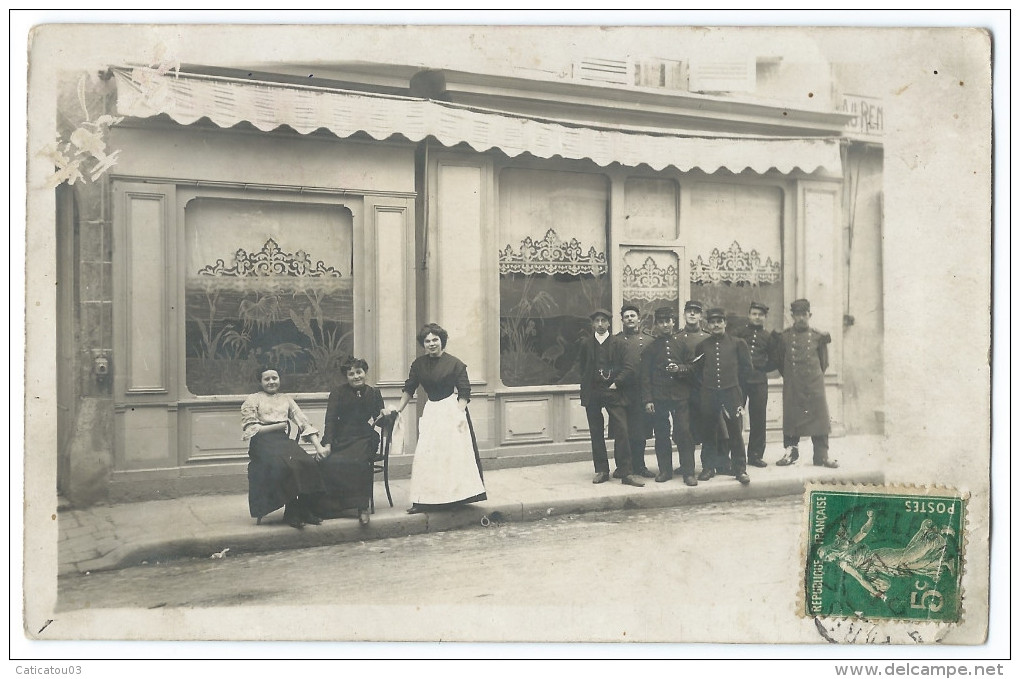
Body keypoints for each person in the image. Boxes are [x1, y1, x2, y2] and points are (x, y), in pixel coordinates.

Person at [392, 323, 487, 513]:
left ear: (442, 341)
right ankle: (422, 500)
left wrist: (460, 414)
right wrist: (398, 410)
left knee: (451, 456)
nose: (431, 344)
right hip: (432, 411)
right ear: (423, 344)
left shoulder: (455, 363)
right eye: (427, 341)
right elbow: (409, 389)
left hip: (452, 410)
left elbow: (464, 391)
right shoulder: (418, 365)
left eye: (435, 339)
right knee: (426, 456)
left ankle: (453, 498)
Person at [241, 366, 327, 529]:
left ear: (280, 379)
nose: (271, 382)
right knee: (284, 466)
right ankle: (291, 511)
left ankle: (303, 508)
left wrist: (318, 447)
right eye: (267, 379)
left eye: (274, 378)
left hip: (282, 441)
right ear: (260, 382)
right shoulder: (253, 399)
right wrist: (278, 426)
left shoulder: (286, 399)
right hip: (262, 444)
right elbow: (250, 430)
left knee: (308, 463)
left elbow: (304, 423)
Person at [314, 357, 387, 526]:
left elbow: (380, 421)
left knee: (360, 461)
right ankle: (332, 507)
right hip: (341, 436)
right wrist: (328, 444)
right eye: (351, 374)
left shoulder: (374, 393)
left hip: (365, 436)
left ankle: (362, 507)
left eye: (359, 372)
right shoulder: (337, 393)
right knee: (328, 462)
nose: (356, 377)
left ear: (365, 373)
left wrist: (386, 416)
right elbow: (330, 420)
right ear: (346, 376)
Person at [817, 511, 955, 600]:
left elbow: (862, 534)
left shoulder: (845, 549)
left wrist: (871, 519)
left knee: (906, 558)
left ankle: (931, 535)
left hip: (878, 557)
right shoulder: (842, 563)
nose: (829, 560)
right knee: (910, 566)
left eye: (827, 557)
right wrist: (875, 591)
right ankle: (944, 561)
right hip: (879, 568)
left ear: (830, 551)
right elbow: (861, 578)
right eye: (826, 560)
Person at [576, 308, 644, 487]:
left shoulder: (618, 344)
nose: (599, 324)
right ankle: (602, 470)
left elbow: (629, 367)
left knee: (622, 430)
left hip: (614, 391)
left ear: (609, 323)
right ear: (593, 324)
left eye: (603, 321)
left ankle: (626, 472)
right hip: (592, 392)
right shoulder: (585, 344)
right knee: (595, 431)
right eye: (596, 321)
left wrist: (616, 383)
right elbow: (582, 367)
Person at [773, 299, 839, 468]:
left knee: (820, 419)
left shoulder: (818, 337)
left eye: (804, 314)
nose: (801, 318)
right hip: (793, 385)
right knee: (791, 418)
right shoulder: (785, 337)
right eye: (797, 315)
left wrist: (813, 377)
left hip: (814, 384)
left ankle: (821, 456)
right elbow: (780, 361)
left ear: (809, 315)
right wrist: (792, 377)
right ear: (792, 316)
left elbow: (824, 363)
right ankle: (790, 453)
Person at [640, 306, 698, 485]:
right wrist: (648, 399)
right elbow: (645, 376)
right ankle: (665, 470)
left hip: (680, 396)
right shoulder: (651, 347)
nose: (665, 325)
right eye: (661, 322)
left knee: (684, 432)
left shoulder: (682, 344)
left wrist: (679, 368)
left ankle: (688, 472)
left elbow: (693, 367)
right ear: (656, 324)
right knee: (661, 434)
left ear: (673, 322)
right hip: (659, 397)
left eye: (668, 321)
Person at [694, 308, 752, 485]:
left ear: (725, 323)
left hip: (731, 392)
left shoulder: (738, 343)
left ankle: (740, 469)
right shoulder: (702, 346)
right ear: (707, 325)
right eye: (712, 322)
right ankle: (708, 467)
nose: (716, 324)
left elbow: (746, 370)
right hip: (709, 393)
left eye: (719, 321)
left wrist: (738, 392)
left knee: (735, 431)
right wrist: (706, 388)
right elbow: (697, 371)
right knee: (708, 432)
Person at [733, 302, 777, 467]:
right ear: (749, 315)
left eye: (760, 314)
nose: (756, 317)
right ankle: (736, 454)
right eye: (753, 314)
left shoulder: (769, 337)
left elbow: (774, 359)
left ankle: (755, 455)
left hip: (759, 381)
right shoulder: (739, 333)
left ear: (765, 317)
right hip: (740, 380)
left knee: (758, 417)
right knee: (735, 417)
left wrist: (762, 368)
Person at [615, 303, 656, 479]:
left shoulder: (648, 340)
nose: (630, 319)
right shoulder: (615, 341)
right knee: (622, 431)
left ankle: (640, 465)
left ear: (639, 319)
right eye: (626, 316)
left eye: (633, 316)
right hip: (621, 392)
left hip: (641, 392)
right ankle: (622, 467)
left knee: (640, 431)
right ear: (622, 320)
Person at [675, 300, 710, 475]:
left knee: (705, 428)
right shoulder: (677, 338)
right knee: (683, 429)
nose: (692, 314)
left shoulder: (708, 337)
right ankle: (686, 465)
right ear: (684, 314)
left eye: (696, 311)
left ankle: (707, 466)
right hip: (682, 390)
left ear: (701, 316)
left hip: (703, 389)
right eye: (689, 311)